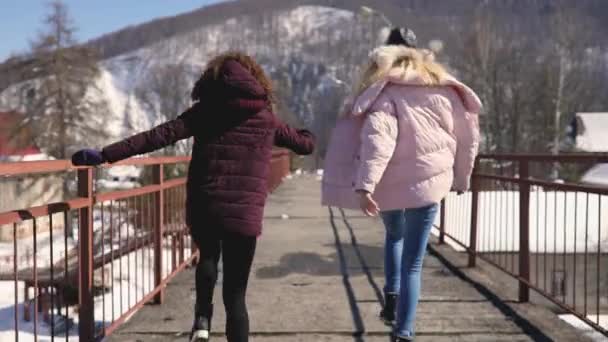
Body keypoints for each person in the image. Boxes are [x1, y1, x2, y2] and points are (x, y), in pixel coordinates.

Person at [71, 52, 315, 342]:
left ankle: (201, 320)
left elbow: (156, 136)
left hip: (206, 204)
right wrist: (305, 132)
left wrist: (104, 154)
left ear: (211, 82)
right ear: (255, 81)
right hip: (244, 213)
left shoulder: (203, 112)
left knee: (208, 257)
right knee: (236, 297)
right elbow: (305, 146)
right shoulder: (265, 118)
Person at [321, 28, 481, 341]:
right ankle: (404, 331)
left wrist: (365, 186)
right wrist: (462, 178)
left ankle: (391, 296)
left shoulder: (382, 90)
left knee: (393, 235)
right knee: (415, 263)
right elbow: (467, 139)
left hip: (389, 185)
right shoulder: (444, 86)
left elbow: (378, 141)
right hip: (431, 183)